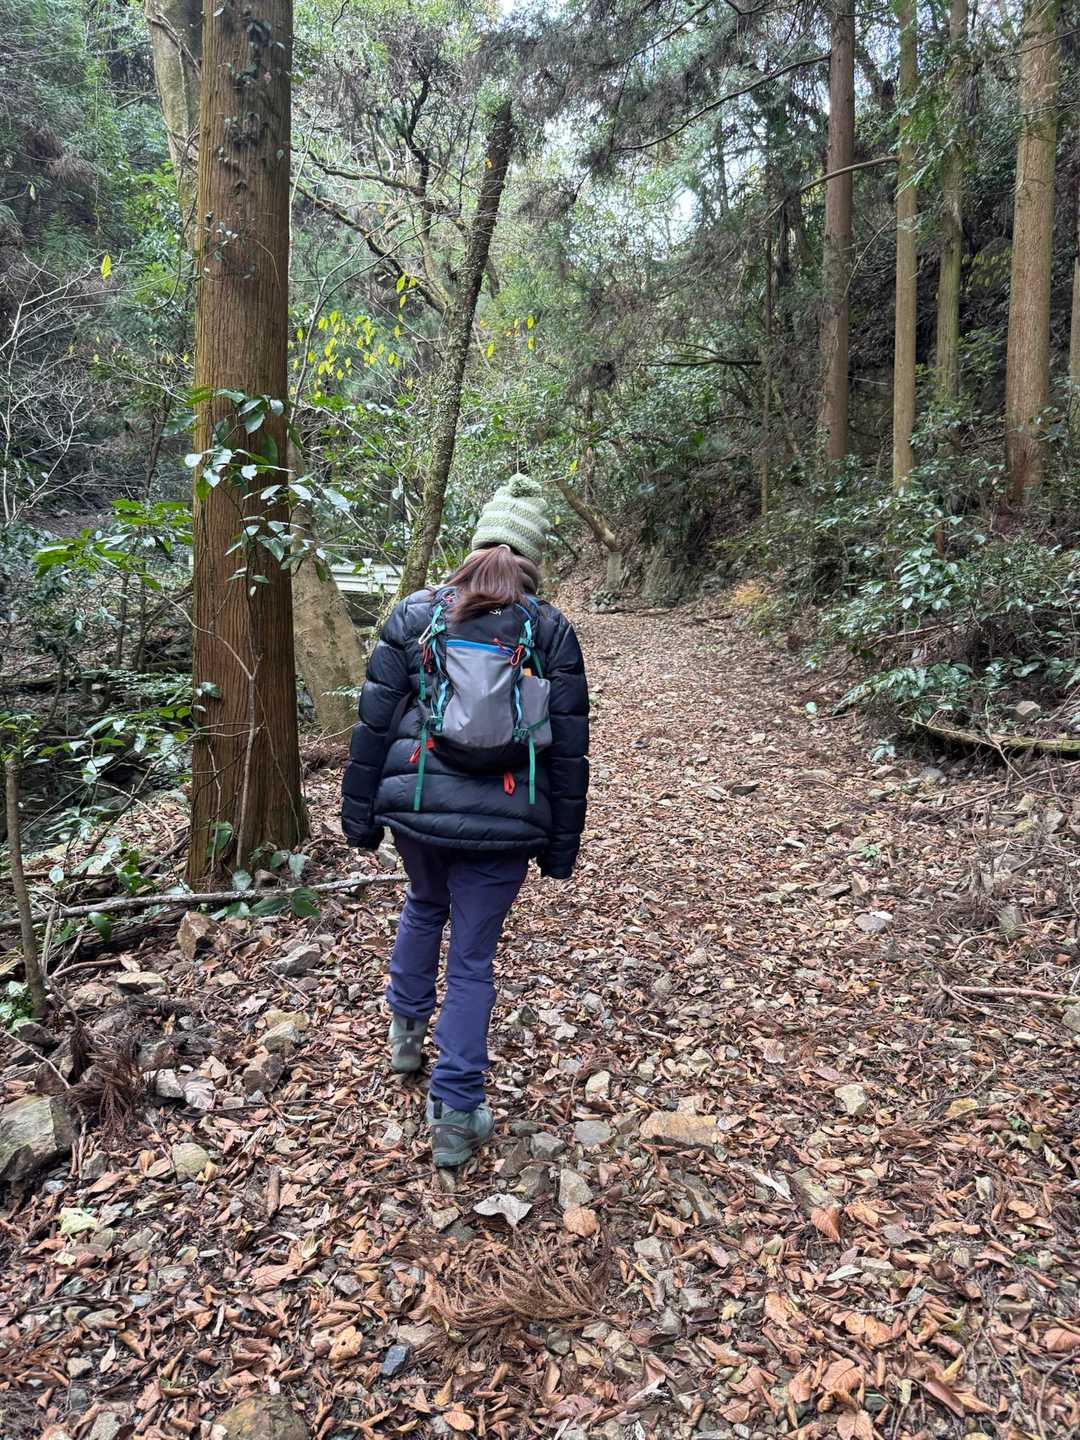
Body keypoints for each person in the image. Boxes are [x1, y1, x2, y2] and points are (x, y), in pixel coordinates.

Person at [341, 475, 589, 1166]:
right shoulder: (549, 630)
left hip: (419, 807)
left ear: (474, 543)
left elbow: (372, 725)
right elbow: (569, 748)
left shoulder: (417, 613)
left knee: (424, 904)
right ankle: (454, 1115)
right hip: (508, 819)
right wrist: (561, 846)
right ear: (534, 557)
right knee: (473, 958)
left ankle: (405, 1036)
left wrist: (359, 818)